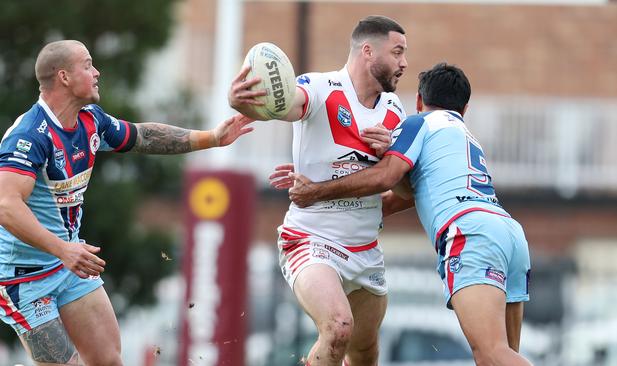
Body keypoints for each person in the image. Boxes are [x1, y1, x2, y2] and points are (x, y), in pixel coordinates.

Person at [0, 40, 254, 366]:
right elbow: (6, 205)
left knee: (108, 361)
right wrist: (62, 249)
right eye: (88, 65)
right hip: (23, 278)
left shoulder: (91, 120)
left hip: (69, 265)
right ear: (63, 76)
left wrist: (212, 138)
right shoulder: (29, 136)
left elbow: (142, 136)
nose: (96, 72)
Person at [288, 63, 533, 366]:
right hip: (508, 232)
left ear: (419, 100)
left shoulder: (419, 123)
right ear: (465, 107)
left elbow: (385, 177)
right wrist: (365, 212)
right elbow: (410, 190)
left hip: (472, 234)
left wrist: (316, 191)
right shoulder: (464, 135)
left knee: (491, 354)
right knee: (506, 355)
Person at [230, 15, 407, 366]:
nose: (404, 63)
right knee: (338, 326)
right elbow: (282, 104)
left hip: (366, 251)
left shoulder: (395, 113)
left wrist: (388, 159)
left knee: (365, 352)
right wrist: (240, 101)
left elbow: (403, 189)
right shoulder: (321, 87)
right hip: (312, 240)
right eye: (398, 52)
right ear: (368, 51)